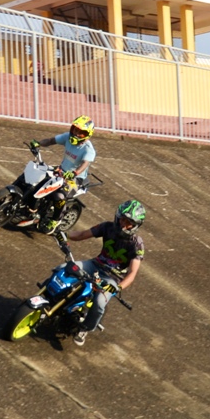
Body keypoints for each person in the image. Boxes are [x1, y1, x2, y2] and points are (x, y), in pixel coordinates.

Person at [64, 199, 146, 347]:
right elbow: (82, 234)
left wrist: (117, 288)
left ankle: (86, 328)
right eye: (123, 219)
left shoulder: (137, 244)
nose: (124, 224)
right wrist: (63, 234)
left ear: (135, 225)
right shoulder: (107, 227)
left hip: (112, 278)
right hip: (95, 265)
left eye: (129, 223)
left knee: (100, 302)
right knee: (63, 268)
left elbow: (132, 273)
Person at [29, 115, 96, 234]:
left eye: (80, 132)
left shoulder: (88, 149)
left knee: (59, 195)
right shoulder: (67, 137)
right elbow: (51, 141)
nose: (76, 133)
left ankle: (55, 220)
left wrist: (74, 173)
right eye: (75, 129)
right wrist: (38, 143)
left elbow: (85, 164)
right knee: (38, 178)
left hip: (76, 179)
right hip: (61, 170)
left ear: (87, 134)